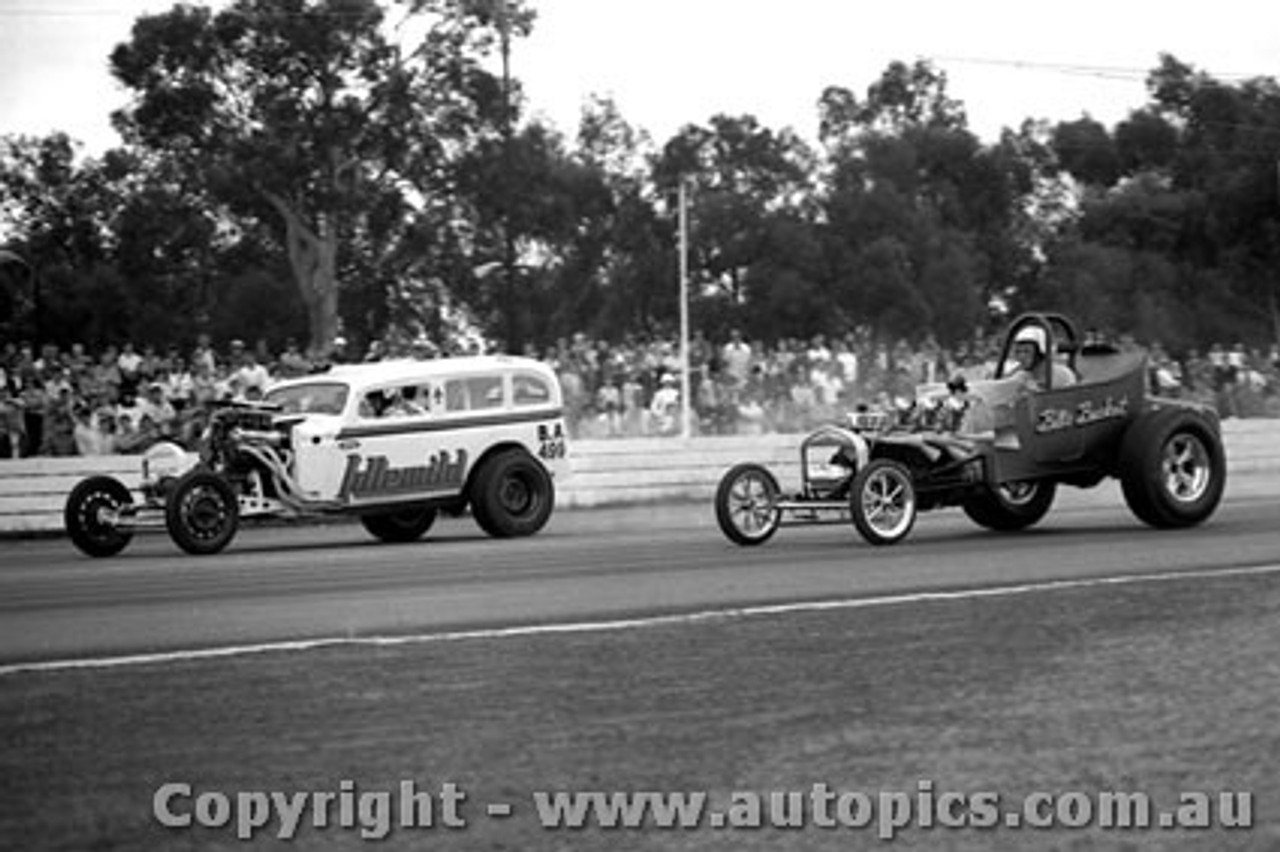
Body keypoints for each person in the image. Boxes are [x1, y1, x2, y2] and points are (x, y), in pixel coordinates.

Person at [1006, 326, 1076, 391]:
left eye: (1026, 351)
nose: (1021, 356)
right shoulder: (1020, 377)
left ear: (1041, 353)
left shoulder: (1063, 375)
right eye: (1018, 352)